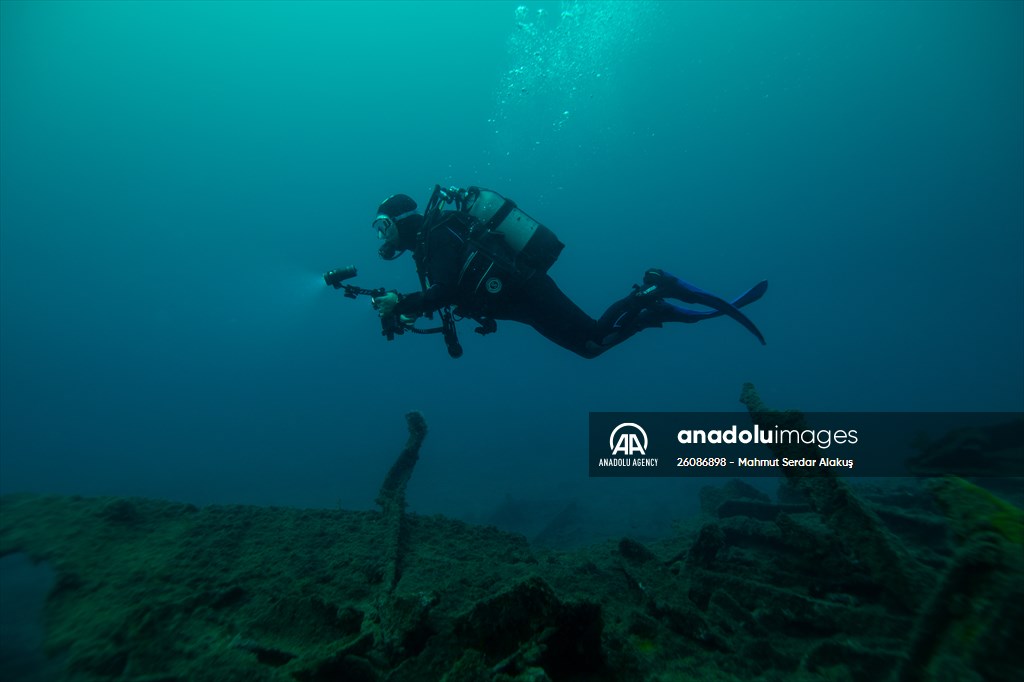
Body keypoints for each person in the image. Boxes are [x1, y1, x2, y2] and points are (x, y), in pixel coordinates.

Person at [368, 185, 767, 359]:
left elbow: (445, 290)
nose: (383, 237)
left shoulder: (438, 234)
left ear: (400, 221)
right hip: (519, 301)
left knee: (594, 339)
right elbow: (448, 291)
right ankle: (651, 309)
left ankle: (654, 291)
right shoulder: (432, 241)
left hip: (527, 291)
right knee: (591, 348)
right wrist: (407, 307)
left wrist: (401, 303)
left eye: (383, 226)